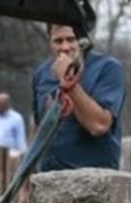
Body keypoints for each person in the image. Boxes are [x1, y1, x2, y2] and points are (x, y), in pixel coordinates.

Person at [32, 23, 125, 172]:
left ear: (83, 41)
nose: (65, 47)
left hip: (94, 179)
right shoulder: (41, 74)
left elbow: (98, 125)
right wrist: (28, 175)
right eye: (58, 41)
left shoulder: (107, 68)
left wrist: (69, 81)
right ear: (50, 41)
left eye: (71, 39)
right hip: (49, 178)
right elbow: (38, 128)